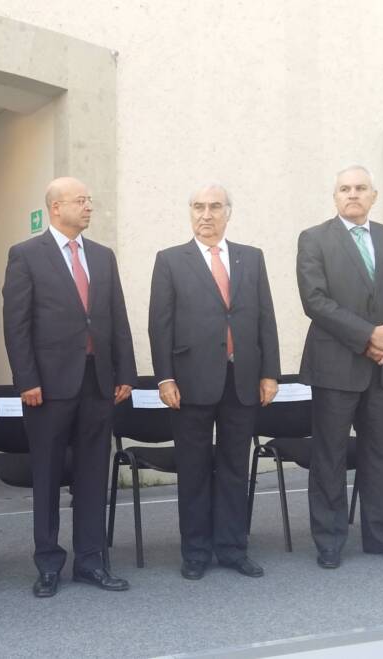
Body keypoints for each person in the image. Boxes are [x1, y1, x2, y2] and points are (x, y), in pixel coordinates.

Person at [2, 176, 136, 597]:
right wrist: (26, 380)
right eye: (81, 200)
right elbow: (16, 324)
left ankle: (91, 561)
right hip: (48, 387)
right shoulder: (26, 255)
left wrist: (125, 373)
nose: (88, 206)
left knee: (94, 474)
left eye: (89, 200)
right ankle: (48, 563)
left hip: (98, 383)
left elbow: (117, 317)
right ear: (56, 207)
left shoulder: (102, 256)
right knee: (47, 475)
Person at [148, 183, 279, 580]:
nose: (207, 214)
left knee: (235, 468)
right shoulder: (171, 260)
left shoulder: (250, 259)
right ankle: (196, 551)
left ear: (228, 213)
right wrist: (164, 377)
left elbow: (265, 320)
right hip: (189, 382)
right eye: (199, 207)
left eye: (215, 207)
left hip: (242, 380)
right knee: (194, 469)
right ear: (190, 212)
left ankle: (233, 548)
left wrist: (269, 372)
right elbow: (160, 325)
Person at [296, 165, 383, 569]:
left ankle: (380, 534)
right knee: (330, 455)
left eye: (360, 188)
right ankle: (330, 539)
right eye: (344, 189)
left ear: (374, 195)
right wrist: (370, 335)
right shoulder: (314, 239)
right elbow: (315, 301)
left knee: (380, 453)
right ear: (335, 196)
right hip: (335, 366)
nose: (352, 194)